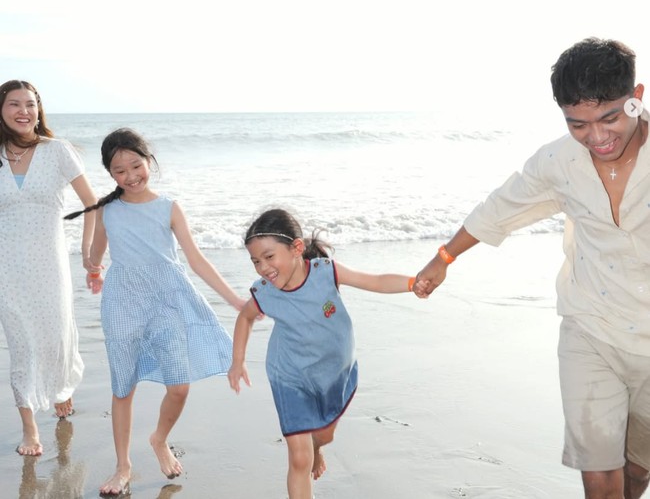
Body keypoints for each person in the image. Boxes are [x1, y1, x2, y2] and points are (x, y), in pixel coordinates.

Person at [414, 37, 650, 499]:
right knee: (600, 482)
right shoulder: (558, 161)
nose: (597, 137)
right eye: (578, 124)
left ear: (636, 97)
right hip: (592, 329)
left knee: (636, 472)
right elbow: (501, 207)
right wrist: (442, 259)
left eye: (610, 118)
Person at [64, 127, 248, 496]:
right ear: (110, 173)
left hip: (167, 301)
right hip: (122, 304)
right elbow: (97, 255)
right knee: (123, 387)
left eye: (136, 165)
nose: (131, 176)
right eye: (120, 170)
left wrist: (236, 300)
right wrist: (93, 270)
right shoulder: (108, 210)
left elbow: (195, 259)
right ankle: (123, 466)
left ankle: (159, 439)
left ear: (149, 161)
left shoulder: (169, 207)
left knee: (178, 386)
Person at [227, 207, 418, 499]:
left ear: (296, 248)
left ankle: (317, 446)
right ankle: (308, 452)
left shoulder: (326, 272)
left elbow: (375, 281)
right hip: (289, 375)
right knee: (299, 458)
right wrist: (237, 360)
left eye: (268, 257)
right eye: (255, 261)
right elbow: (246, 317)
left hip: (333, 372)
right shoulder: (265, 291)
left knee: (325, 435)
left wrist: (412, 284)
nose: (263, 268)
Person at [0, 79, 97, 457]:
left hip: (50, 261)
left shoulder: (58, 151)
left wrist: (89, 253)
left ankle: (61, 387)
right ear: (1, 110)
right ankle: (30, 428)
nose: (24, 111)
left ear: (39, 110)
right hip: (7, 267)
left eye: (31, 104)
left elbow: (93, 203)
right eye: (14, 104)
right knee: (21, 343)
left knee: (56, 334)